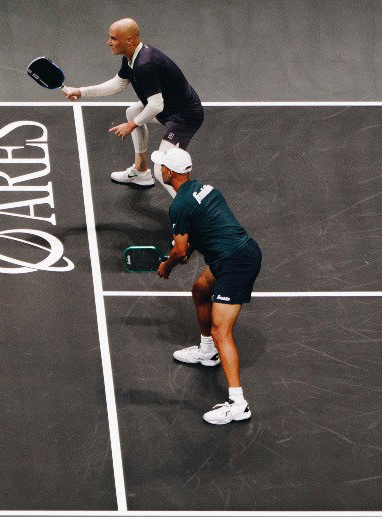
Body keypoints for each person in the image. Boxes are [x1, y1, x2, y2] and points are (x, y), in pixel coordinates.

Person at [152, 148, 262, 425]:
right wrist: (186, 249)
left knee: (221, 331)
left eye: (162, 166)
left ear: (171, 172)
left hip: (234, 263)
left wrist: (167, 265)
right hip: (236, 253)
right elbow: (200, 233)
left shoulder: (179, 205)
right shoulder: (205, 188)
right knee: (201, 289)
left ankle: (238, 404)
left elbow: (179, 251)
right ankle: (206, 350)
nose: (160, 170)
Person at [62, 18, 204, 196]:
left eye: (113, 38)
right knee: (133, 111)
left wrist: (131, 125)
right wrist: (81, 91)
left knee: (164, 171)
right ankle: (141, 171)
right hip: (169, 109)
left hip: (184, 118)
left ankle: (188, 214)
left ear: (129, 40)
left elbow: (155, 105)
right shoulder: (131, 58)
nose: (109, 42)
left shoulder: (145, 64)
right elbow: (117, 85)